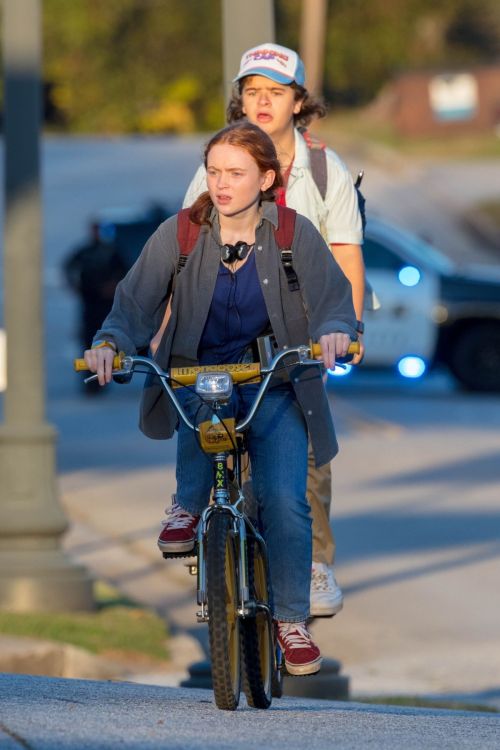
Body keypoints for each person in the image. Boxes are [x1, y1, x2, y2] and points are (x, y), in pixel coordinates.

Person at [84, 121, 357, 676]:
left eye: (236, 173)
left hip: (274, 379)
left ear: (266, 178)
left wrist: (333, 330)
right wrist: (110, 343)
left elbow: (333, 297)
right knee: (201, 401)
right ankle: (188, 504)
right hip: (200, 375)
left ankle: (289, 622)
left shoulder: (291, 233)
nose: (223, 183)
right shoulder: (181, 233)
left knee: (285, 498)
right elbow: (133, 303)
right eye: (214, 172)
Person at [157, 43, 366, 618]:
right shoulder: (219, 162)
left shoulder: (325, 169)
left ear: (299, 101)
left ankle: (314, 563)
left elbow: (346, 256)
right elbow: (185, 251)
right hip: (227, 329)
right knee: (201, 418)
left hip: (301, 332)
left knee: (304, 456)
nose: (263, 102)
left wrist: (344, 328)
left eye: (276, 92)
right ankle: (210, 532)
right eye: (252, 92)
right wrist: (168, 331)